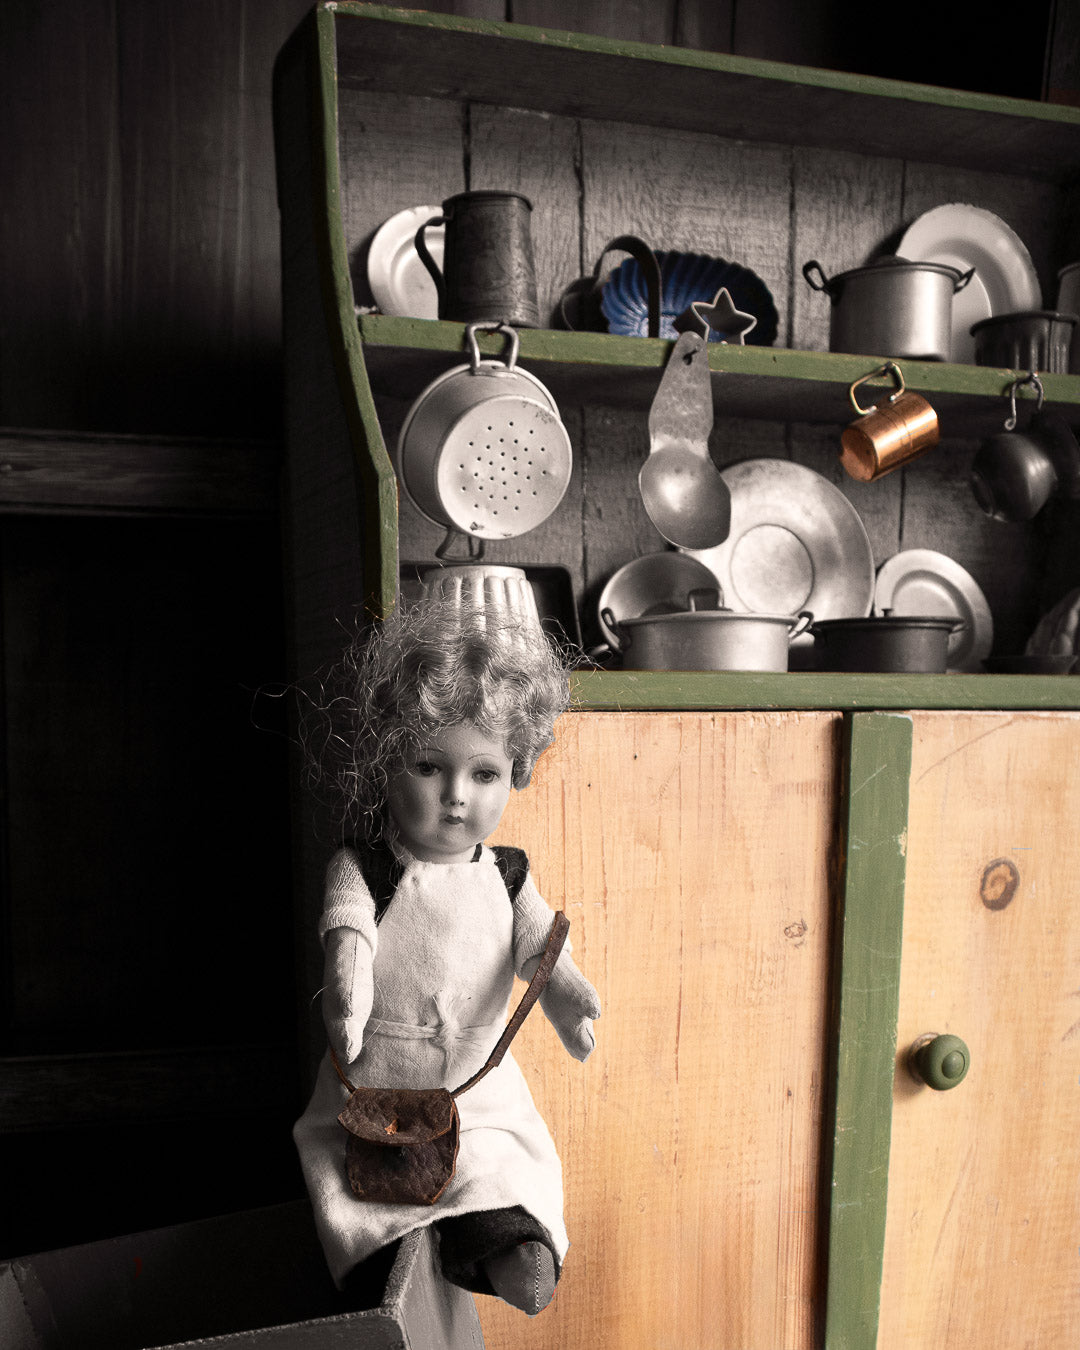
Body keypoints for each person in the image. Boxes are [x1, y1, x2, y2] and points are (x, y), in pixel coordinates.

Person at [293, 591, 600, 1316]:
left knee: (498, 1173)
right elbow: (349, 929)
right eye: (431, 767)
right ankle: (383, 1279)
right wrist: (348, 983)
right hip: (375, 1091)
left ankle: (499, 1243)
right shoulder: (367, 865)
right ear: (388, 759)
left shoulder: (507, 874)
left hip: (477, 1091)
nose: (457, 796)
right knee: (362, 1209)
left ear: (516, 770)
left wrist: (565, 996)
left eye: (484, 774)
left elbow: (537, 946)